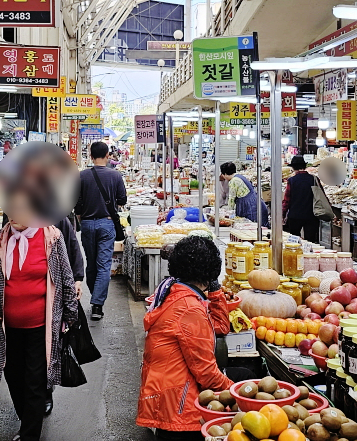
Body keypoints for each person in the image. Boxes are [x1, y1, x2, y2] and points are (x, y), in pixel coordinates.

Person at [0, 187, 79, 441]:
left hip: (41, 325)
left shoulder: (51, 238)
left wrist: (70, 316)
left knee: (35, 380)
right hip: (6, 325)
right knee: (12, 375)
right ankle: (27, 420)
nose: (14, 215)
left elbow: (65, 278)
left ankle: (29, 434)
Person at [136, 236, 233, 440]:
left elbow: (221, 327)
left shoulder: (174, 292)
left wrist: (214, 292)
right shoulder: (189, 309)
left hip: (167, 398)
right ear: (211, 270)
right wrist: (236, 391)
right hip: (179, 408)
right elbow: (206, 373)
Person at [76, 141, 127, 321]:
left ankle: (95, 295)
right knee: (103, 265)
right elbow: (122, 199)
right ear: (107, 155)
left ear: (90, 156)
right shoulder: (115, 176)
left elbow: (77, 203)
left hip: (88, 225)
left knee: (91, 263)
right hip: (106, 224)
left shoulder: (82, 176)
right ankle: (97, 305)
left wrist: (81, 218)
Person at [220, 162, 269, 227]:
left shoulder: (233, 181)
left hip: (249, 207)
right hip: (257, 204)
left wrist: (227, 214)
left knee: (251, 228)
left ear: (225, 174)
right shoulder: (240, 176)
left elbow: (231, 199)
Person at [283, 155, 320, 241]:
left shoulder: (291, 180)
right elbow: (321, 196)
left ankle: (296, 254)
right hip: (311, 215)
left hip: (295, 216)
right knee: (311, 241)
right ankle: (310, 254)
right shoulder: (314, 179)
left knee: (294, 241)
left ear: (293, 167)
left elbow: (286, 200)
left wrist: (283, 214)